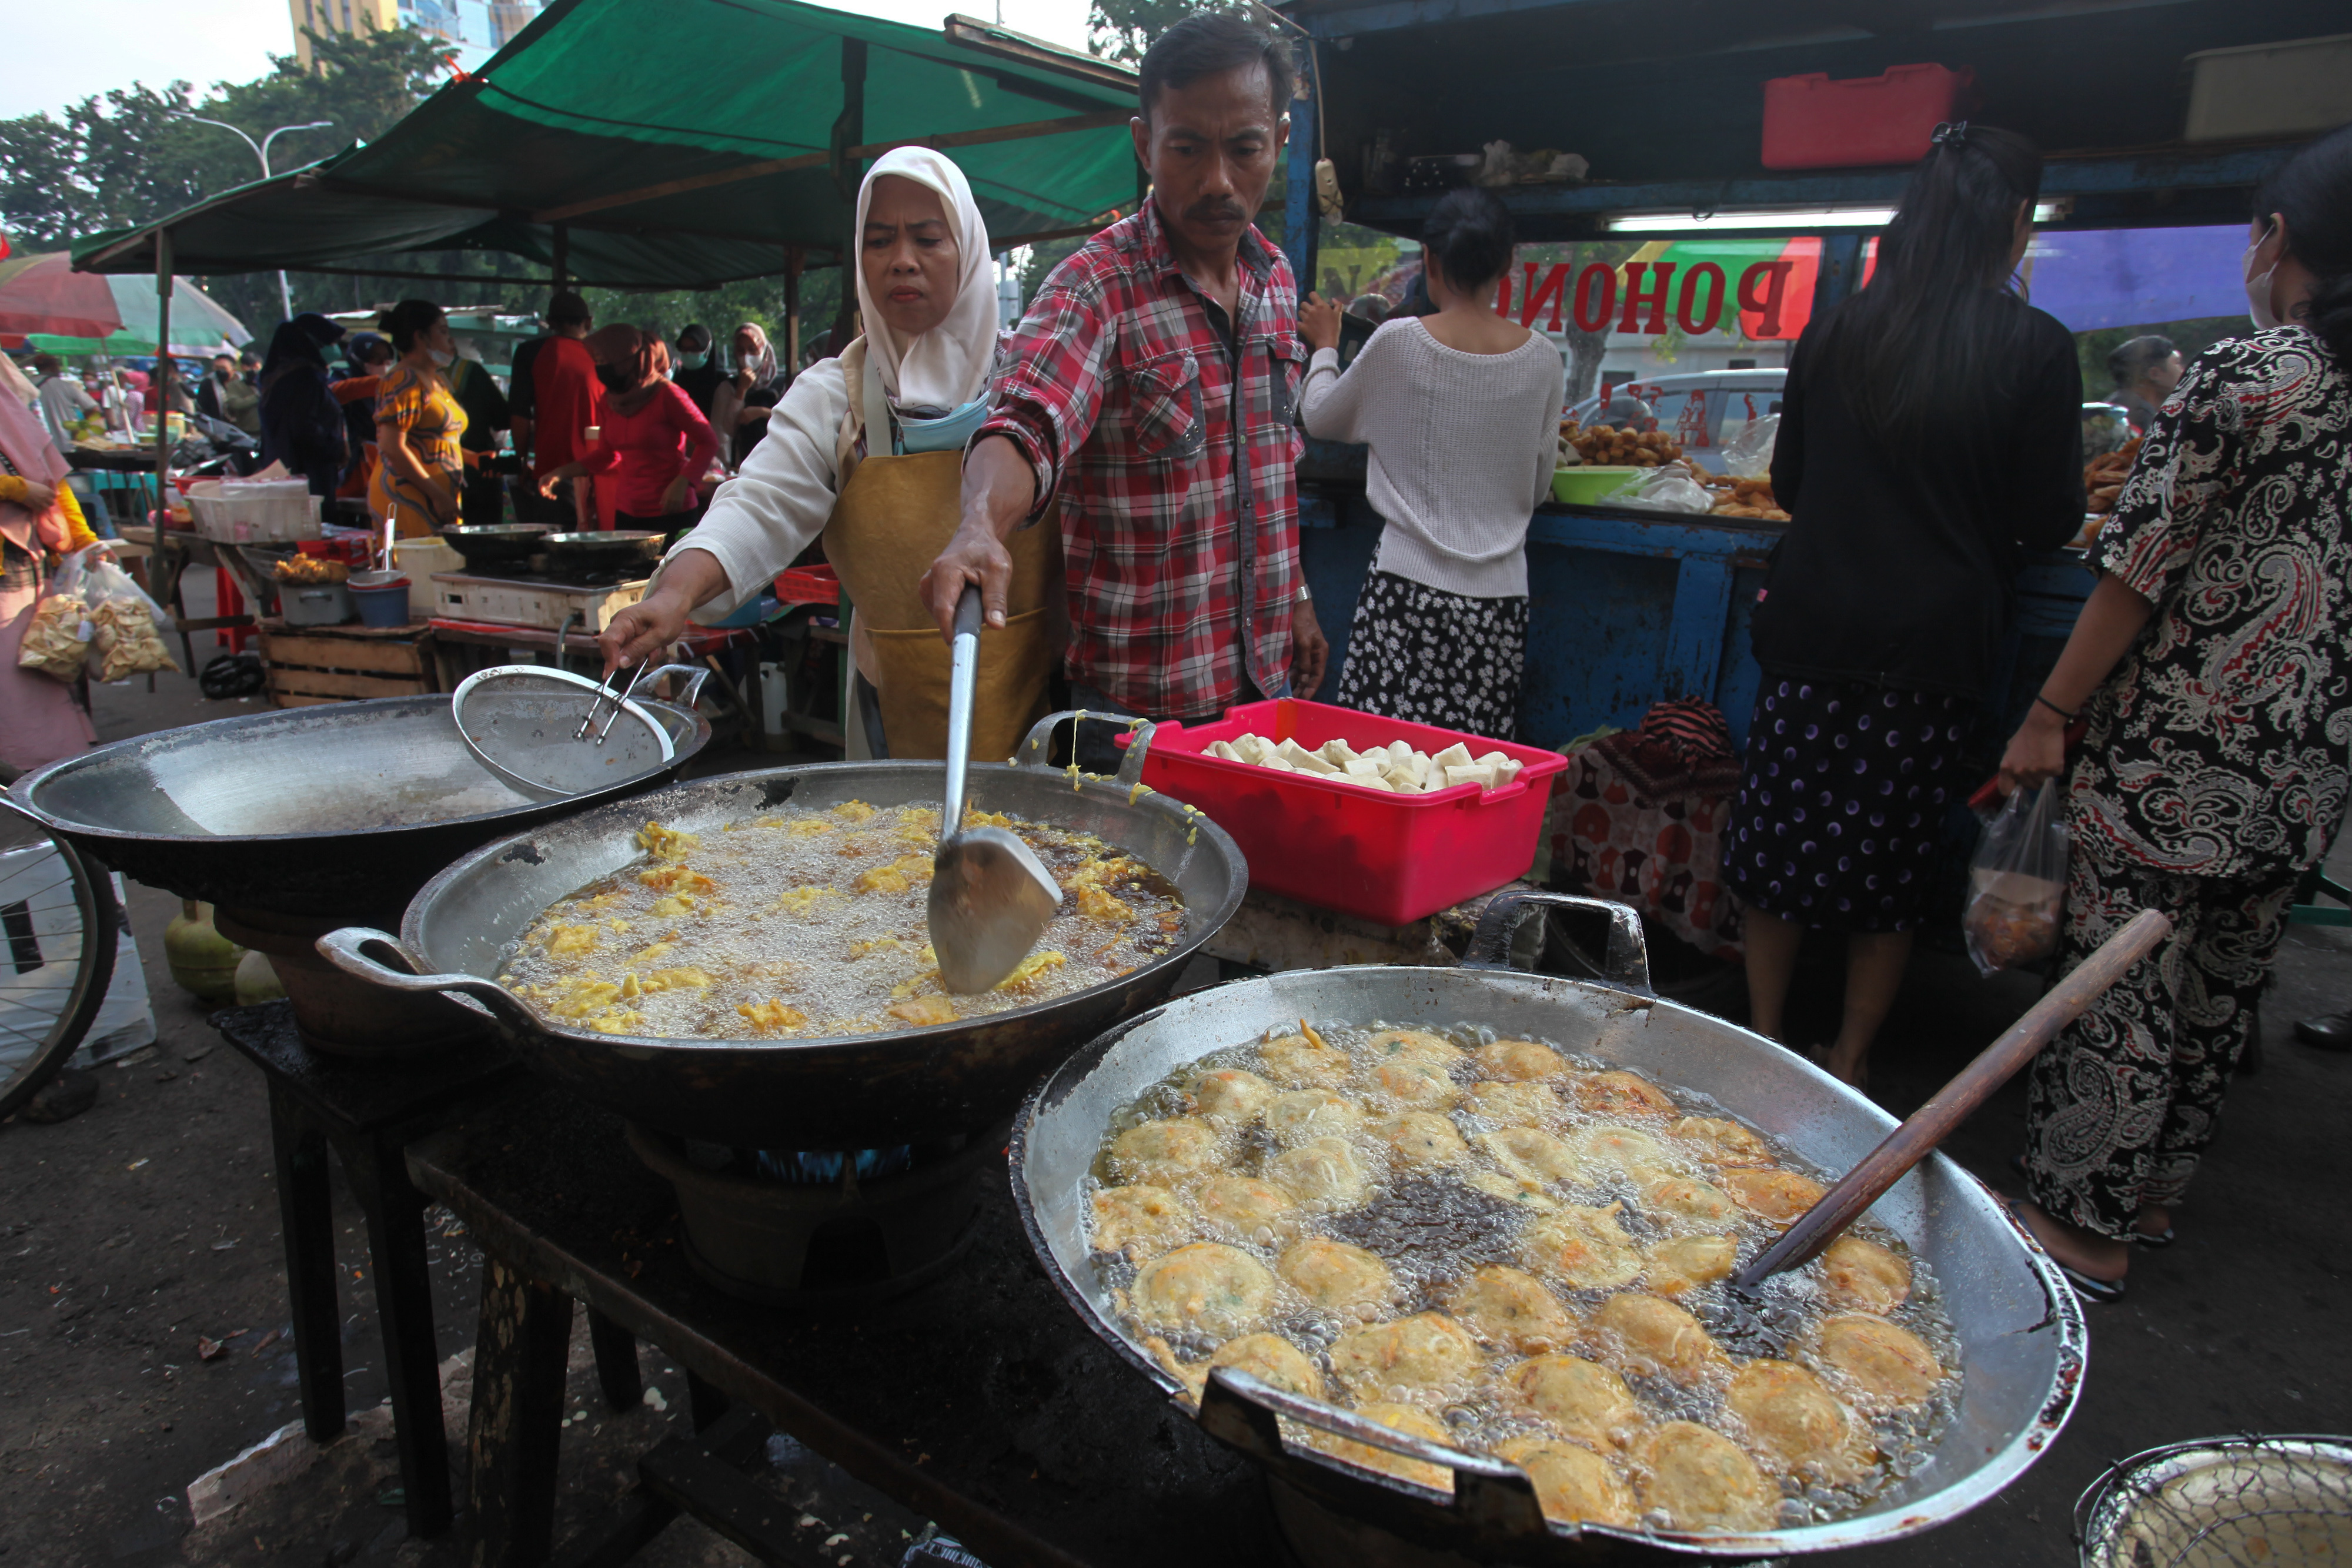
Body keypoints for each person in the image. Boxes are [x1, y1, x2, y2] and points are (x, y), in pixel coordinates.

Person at [1996, 125, 2352, 1302]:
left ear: (2277, 238)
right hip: (2306, 760)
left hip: (2180, 747)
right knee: (2222, 978)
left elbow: (2136, 564)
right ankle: (2148, 1198)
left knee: (2120, 977)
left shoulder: (2249, 378)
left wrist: (2050, 707)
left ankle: (2075, 1222)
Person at [1722, 122, 2084, 1088]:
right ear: (2013, 222)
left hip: (1813, 624)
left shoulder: (1841, 328)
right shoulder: (2035, 346)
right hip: (1932, 648)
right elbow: (2051, 516)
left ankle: (1761, 1033)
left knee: (1778, 845)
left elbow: (1791, 478)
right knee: (1890, 863)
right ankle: (1849, 1053)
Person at [923, 12, 1327, 766]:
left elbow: (1265, 469)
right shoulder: (1094, 286)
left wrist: (1297, 599)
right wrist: (980, 523)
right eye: (1186, 150)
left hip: (1261, 696)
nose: (1217, 181)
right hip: (1133, 719)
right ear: (1144, 143)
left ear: (1278, 139)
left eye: (1243, 150)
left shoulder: (1274, 282)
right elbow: (1027, 421)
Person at [596, 149, 1053, 761]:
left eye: (927, 238)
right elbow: (760, 503)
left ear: (969, 249)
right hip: (893, 703)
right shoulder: (836, 398)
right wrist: (674, 593)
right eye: (879, 240)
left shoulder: (1037, 380)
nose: (902, 261)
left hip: (1045, 698)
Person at [1298, 186, 1560, 738]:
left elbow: (1319, 417)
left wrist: (1325, 345)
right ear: (1508, 263)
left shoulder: (1400, 343)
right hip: (1499, 606)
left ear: (1429, 260)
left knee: (1380, 767)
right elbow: (1536, 488)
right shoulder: (1544, 360)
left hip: (1404, 596)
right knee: (1470, 775)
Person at [2, 382, 102, 773]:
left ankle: (53, 757)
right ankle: (25, 762)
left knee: (41, 656)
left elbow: (52, 480)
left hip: (29, 556)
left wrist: (84, 541)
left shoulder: (7, 403)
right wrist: (13, 489)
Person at [537, 325, 720, 539]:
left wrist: (684, 481)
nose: (599, 368)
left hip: (671, 510)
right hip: (627, 511)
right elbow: (607, 455)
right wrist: (559, 473)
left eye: (603, 361)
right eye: (596, 361)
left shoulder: (668, 395)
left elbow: (708, 441)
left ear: (626, 361)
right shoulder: (609, 402)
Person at [368, 300, 467, 538]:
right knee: (418, 569)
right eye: (443, 332)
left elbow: (435, 438)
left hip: (438, 497)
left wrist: (474, 459)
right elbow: (392, 446)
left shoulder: (436, 380)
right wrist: (437, 495)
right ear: (421, 337)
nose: (451, 341)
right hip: (412, 497)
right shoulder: (405, 379)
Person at [524, 292, 603, 530]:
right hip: (596, 469)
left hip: (550, 471)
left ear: (549, 321)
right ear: (588, 322)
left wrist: (520, 462)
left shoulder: (532, 353)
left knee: (555, 545)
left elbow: (520, 415)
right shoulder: (602, 357)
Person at [256, 313, 348, 499]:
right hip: (308, 479)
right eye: (330, 343)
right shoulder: (306, 381)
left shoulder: (278, 379)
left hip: (284, 476)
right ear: (313, 343)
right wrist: (338, 448)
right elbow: (305, 429)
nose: (335, 349)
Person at [446, 346, 510, 527]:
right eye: (443, 332)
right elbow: (502, 419)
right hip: (478, 473)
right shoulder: (470, 371)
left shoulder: (415, 378)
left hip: (438, 473)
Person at [333, 331, 394, 502]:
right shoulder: (342, 382)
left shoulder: (393, 388)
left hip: (388, 466)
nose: (384, 363)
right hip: (354, 470)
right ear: (358, 358)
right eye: (376, 358)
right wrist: (379, 382)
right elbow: (334, 393)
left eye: (388, 357)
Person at [709, 322, 779, 467]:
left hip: (776, 465)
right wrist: (741, 392)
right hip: (743, 467)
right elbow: (726, 430)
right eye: (741, 351)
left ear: (764, 350)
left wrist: (761, 412)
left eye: (753, 350)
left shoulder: (780, 385)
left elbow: (792, 423)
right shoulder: (727, 388)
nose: (746, 357)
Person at [2105, 333, 2183, 433]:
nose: (2183, 371)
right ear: (2155, 374)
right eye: (2177, 363)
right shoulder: (2139, 414)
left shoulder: (2116, 408)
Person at [29, 355, 98, 454]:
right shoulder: (66, 386)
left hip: (37, 446)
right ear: (53, 367)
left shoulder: (26, 385)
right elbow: (93, 408)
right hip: (66, 444)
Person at [671, 323, 727, 423]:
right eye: (684, 349)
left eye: (695, 349)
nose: (689, 353)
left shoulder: (723, 383)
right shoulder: (677, 383)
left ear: (708, 349)